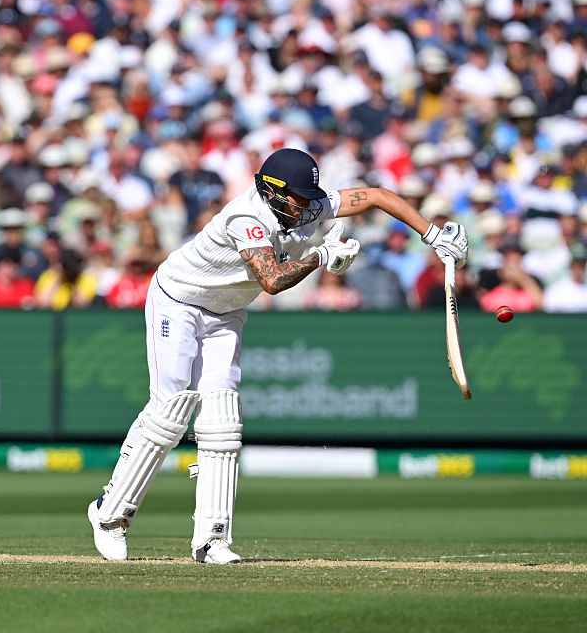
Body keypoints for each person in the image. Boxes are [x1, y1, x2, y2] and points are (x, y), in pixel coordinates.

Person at [87, 148, 469, 563]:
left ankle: (212, 538)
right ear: (271, 191)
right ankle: (110, 515)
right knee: (169, 412)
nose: (309, 207)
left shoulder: (307, 204)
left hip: (226, 311)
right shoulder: (246, 219)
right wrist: (321, 256)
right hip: (177, 300)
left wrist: (434, 236)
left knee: (222, 419)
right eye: (299, 198)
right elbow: (271, 281)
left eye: (311, 197)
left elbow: (378, 196)